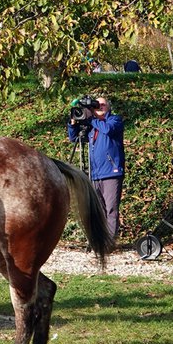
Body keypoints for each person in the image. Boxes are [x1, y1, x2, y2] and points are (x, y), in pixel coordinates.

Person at [68, 97, 124, 240]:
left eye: (103, 104)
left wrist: (91, 118)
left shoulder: (114, 120)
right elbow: (74, 138)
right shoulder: (92, 126)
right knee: (99, 210)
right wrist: (73, 122)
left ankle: (109, 241)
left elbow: (108, 129)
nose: (100, 106)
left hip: (111, 172)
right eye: (97, 104)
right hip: (95, 174)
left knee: (111, 209)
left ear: (108, 107)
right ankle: (99, 239)